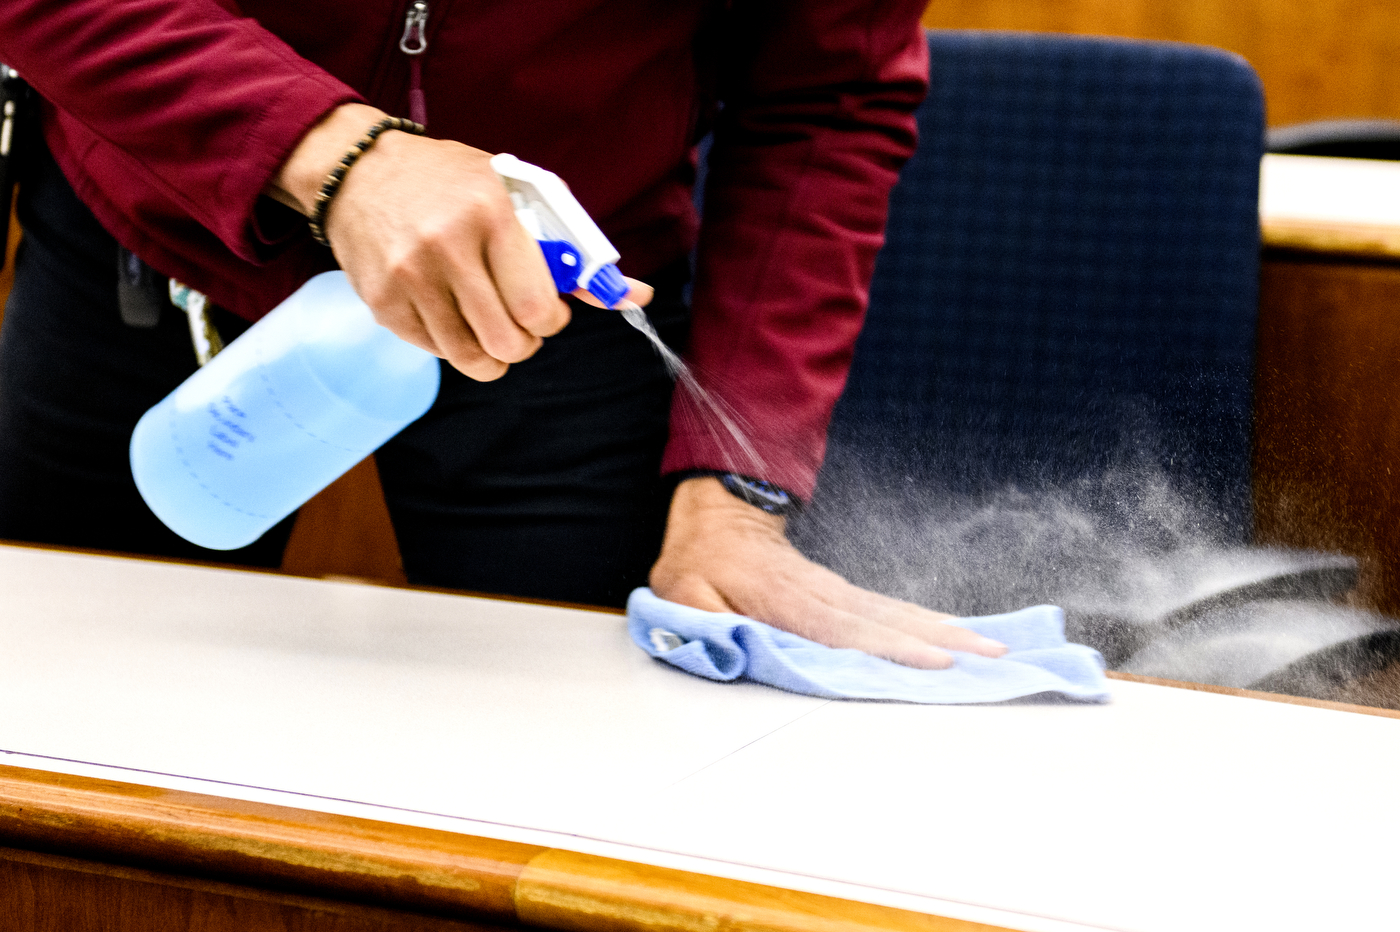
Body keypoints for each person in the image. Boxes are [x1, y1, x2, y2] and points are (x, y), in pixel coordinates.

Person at [0, 1, 1007, 669]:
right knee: (67, 707)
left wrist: (735, 488)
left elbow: (826, 93)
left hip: (551, 306)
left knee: (572, 766)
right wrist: (330, 152)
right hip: (162, 233)